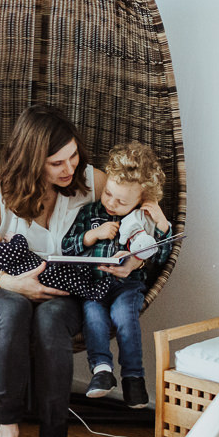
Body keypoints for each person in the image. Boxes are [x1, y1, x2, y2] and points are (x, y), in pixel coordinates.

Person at [0, 104, 147, 437]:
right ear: (32, 160)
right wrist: (11, 283)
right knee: (13, 313)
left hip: (67, 288)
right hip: (7, 286)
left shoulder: (91, 180)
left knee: (51, 319)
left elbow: (139, 206)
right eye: (57, 162)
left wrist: (133, 262)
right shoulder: (1, 191)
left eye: (73, 156)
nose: (69, 168)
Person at [60, 141, 174, 408]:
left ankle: (134, 379)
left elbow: (160, 258)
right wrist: (92, 235)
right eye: (109, 193)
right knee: (93, 317)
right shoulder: (91, 213)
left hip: (127, 286)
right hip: (92, 286)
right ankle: (101, 371)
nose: (111, 203)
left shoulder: (143, 220)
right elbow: (67, 246)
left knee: (125, 318)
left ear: (140, 199)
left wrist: (161, 224)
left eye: (122, 201)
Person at [0, 217, 114, 301]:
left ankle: (90, 283)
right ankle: (95, 291)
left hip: (41, 275)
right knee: (68, 276)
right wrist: (16, 237)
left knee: (70, 273)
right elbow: (20, 249)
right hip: (42, 277)